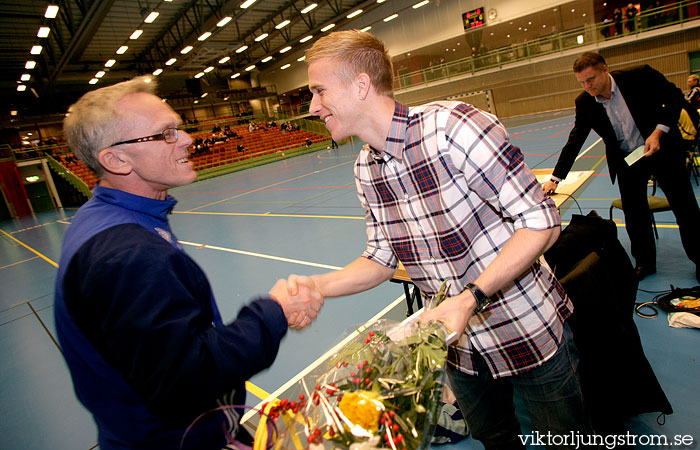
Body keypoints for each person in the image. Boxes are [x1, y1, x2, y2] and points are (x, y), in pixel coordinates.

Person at [287, 30, 593, 449]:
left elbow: (542, 221)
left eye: (319, 90)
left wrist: (470, 299)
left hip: (525, 331)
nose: (312, 106)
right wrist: (317, 287)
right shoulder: (365, 170)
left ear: (361, 85)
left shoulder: (454, 128)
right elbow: (380, 259)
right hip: (459, 352)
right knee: (497, 440)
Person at [56, 76, 323, 450]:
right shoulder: (127, 253)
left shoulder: (111, 220)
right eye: (165, 133)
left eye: (178, 128)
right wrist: (273, 311)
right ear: (115, 159)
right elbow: (186, 380)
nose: (187, 139)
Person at [542, 52, 700, 282]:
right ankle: (645, 263)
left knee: (684, 206)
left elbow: (676, 98)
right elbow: (575, 139)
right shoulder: (585, 102)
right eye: (582, 83)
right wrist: (556, 178)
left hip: (661, 149)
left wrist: (658, 131)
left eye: (591, 79)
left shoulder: (639, 77)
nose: (588, 87)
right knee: (635, 214)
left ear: (605, 69)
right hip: (628, 160)